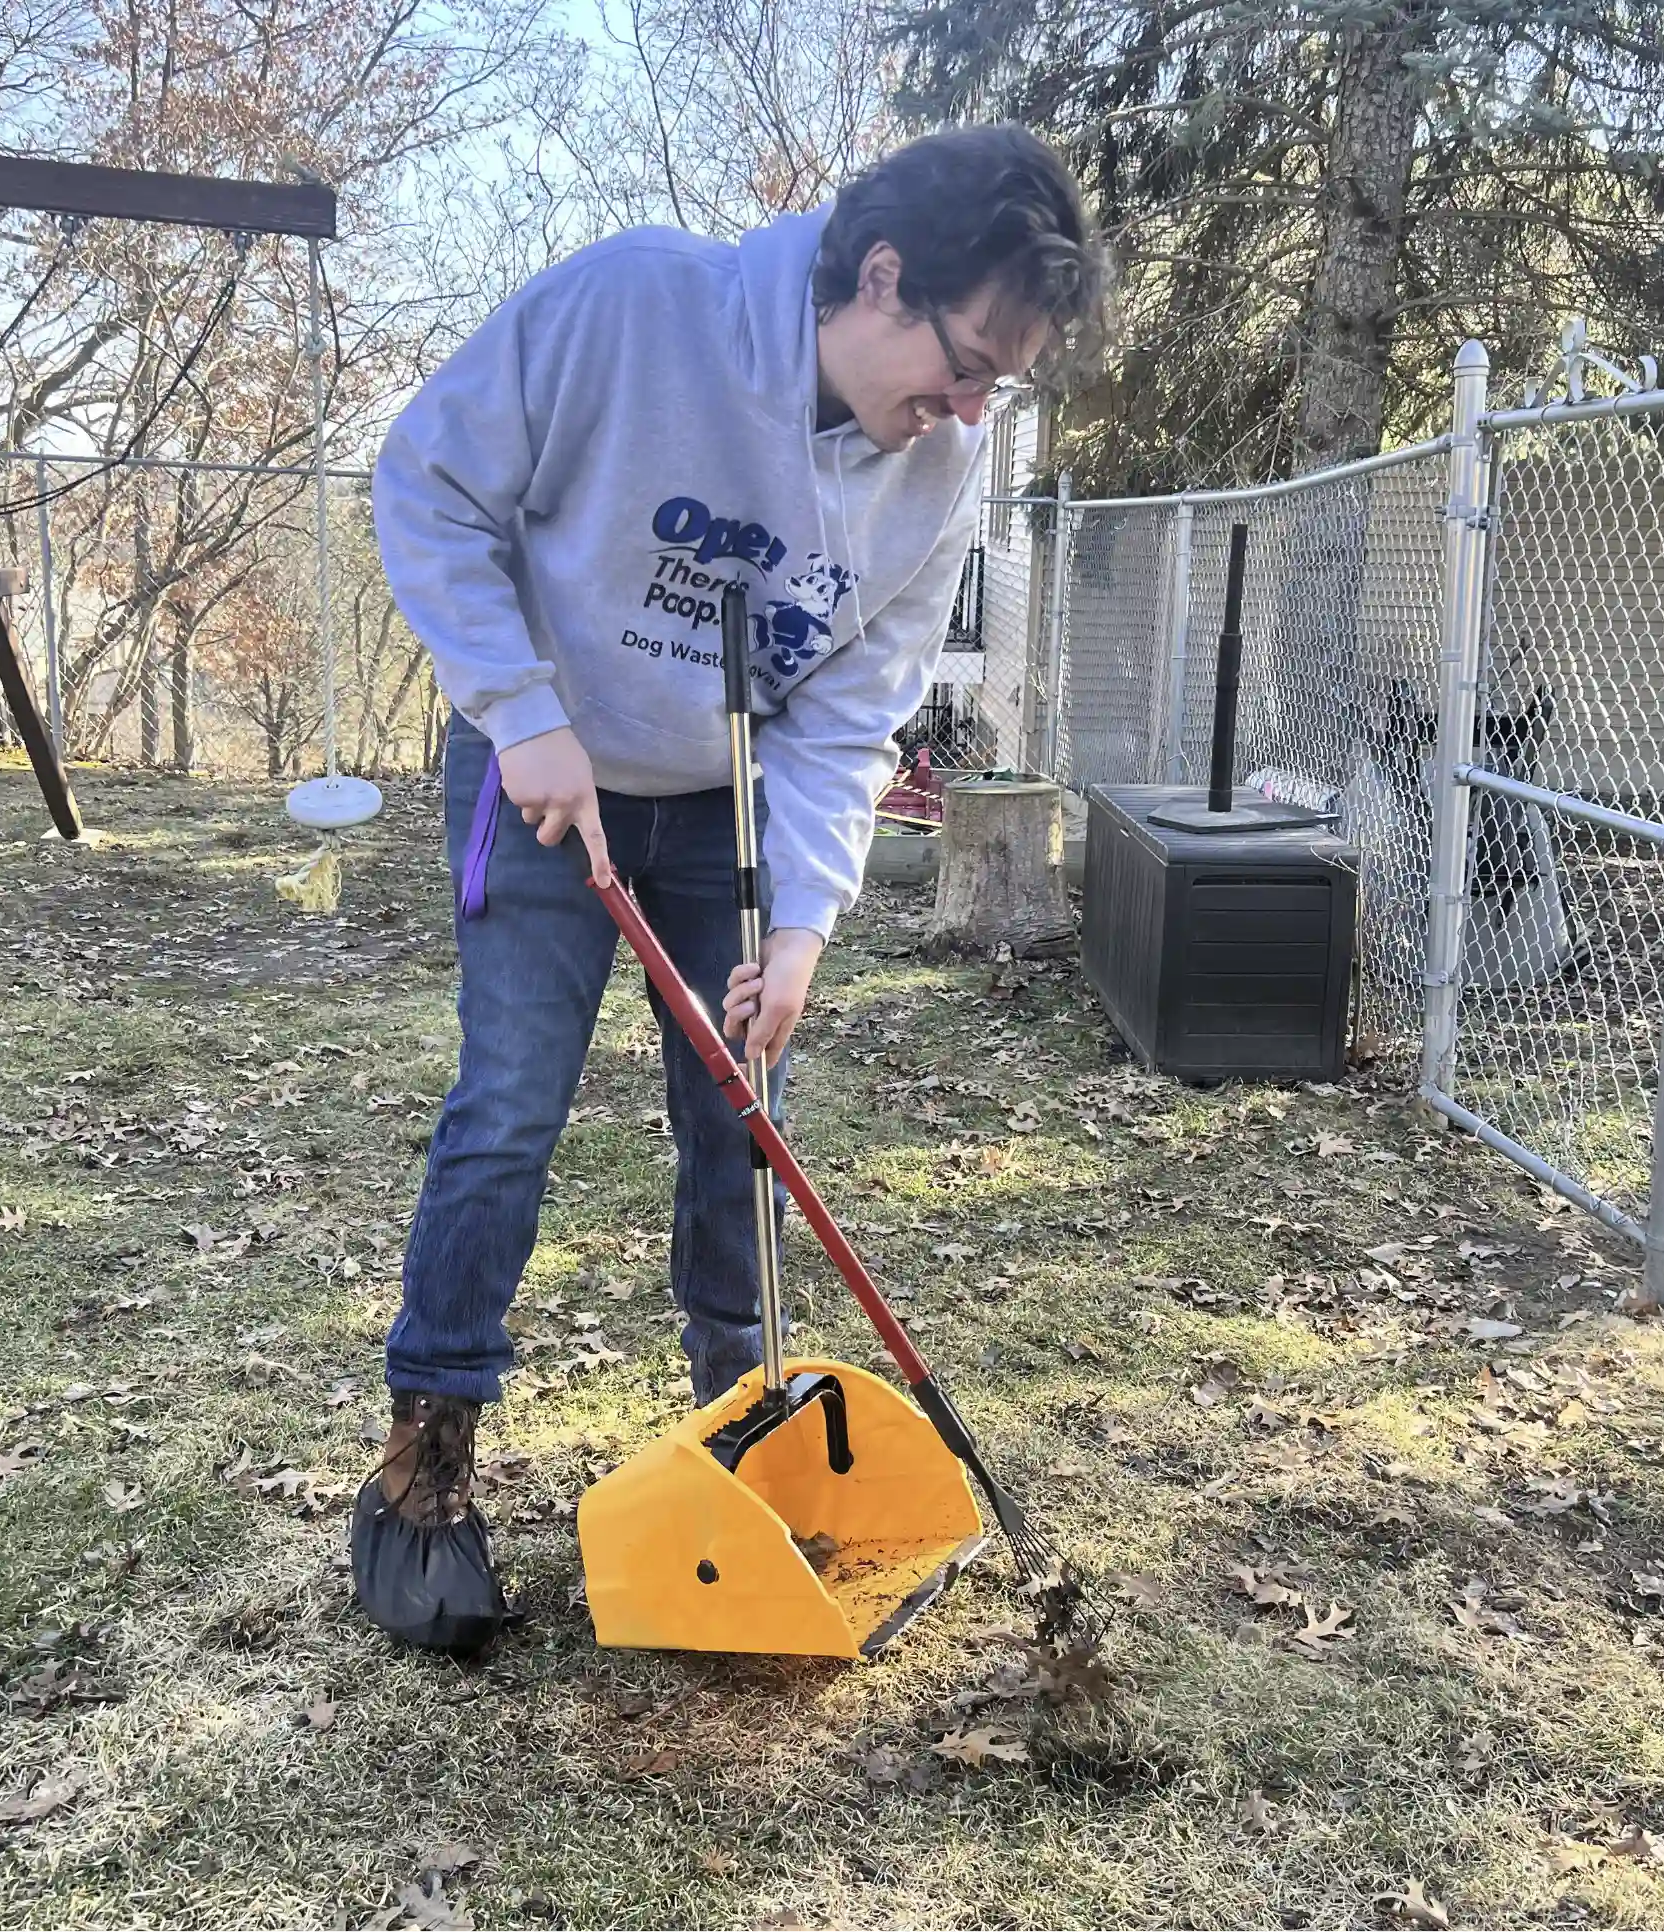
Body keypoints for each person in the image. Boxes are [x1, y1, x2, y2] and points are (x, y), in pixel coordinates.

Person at [354, 123, 1104, 1650]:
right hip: (546, 771)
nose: (969, 411)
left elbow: (851, 704)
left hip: (729, 804)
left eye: (996, 388)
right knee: (510, 1103)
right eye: (967, 363)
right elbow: (426, 484)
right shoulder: (637, 309)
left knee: (737, 1110)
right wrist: (521, 709)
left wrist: (809, 923)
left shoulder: (936, 465)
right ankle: (423, 1467)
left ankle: (749, 1433)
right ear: (879, 276)